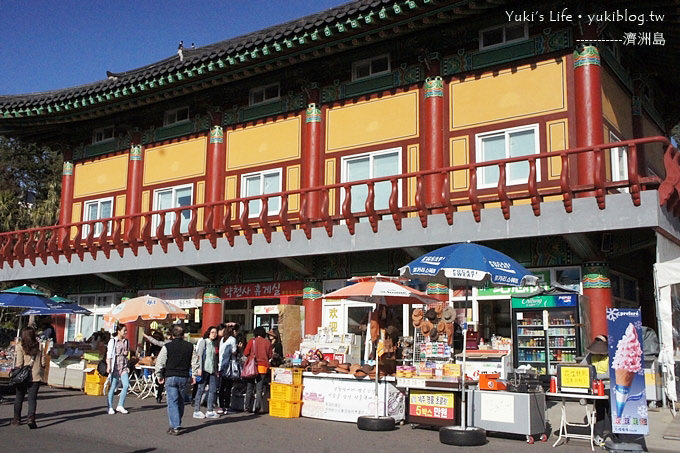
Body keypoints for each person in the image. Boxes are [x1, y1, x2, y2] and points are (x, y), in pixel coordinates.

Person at [155, 324, 197, 436]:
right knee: (181, 400)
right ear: (183, 335)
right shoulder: (190, 346)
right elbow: (195, 362)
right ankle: (177, 420)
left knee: (172, 401)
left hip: (171, 375)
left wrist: (159, 375)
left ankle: (175, 425)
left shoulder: (167, 347)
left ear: (172, 335)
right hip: (184, 376)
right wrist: (194, 375)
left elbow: (160, 362)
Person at [12, 326, 47, 428]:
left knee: (19, 398)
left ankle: (16, 418)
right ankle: (31, 418)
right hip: (35, 376)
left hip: (22, 377)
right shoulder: (39, 345)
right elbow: (43, 361)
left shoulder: (20, 346)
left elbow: (19, 363)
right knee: (32, 399)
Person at [243, 326, 273, 414]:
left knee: (249, 387)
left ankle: (247, 407)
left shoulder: (252, 341)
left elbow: (245, 353)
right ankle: (257, 408)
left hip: (252, 367)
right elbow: (270, 355)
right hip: (262, 367)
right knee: (259, 389)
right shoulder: (267, 343)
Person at [192, 325, 219, 419]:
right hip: (204, 369)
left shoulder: (214, 344)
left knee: (213, 390)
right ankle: (196, 410)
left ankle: (210, 410)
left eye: (215, 332)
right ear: (208, 333)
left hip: (212, 369)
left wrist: (216, 370)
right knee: (200, 389)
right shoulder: (204, 342)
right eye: (212, 332)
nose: (214, 334)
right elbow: (199, 355)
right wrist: (199, 368)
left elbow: (214, 359)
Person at [106, 324, 130, 415]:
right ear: (119, 331)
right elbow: (109, 354)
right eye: (124, 330)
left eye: (126, 330)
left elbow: (127, 353)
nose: (126, 332)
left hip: (123, 365)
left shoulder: (126, 341)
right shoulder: (113, 341)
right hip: (115, 365)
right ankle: (110, 406)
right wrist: (108, 365)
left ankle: (120, 405)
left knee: (126, 385)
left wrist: (126, 353)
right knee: (113, 386)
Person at [143, 329, 171, 403]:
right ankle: (161, 396)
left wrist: (147, 336)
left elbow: (156, 343)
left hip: (158, 363)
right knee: (164, 380)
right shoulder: (166, 343)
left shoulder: (161, 344)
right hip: (166, 363)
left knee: (160, 379)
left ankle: (159, 396)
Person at [218, 324, 238, 414]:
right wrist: (239, 349)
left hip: (222, 364)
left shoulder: (222, 340)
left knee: (222, 386)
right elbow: (233, 352)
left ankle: (221, 406)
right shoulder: (232, 340)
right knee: (228, 387)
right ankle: (227, 406)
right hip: (230, 366)